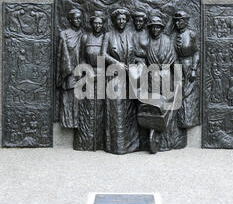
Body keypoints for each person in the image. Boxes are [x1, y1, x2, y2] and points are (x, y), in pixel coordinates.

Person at [144, 15, 186, 152]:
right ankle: (152, 138)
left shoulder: (167, 41)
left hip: (166, 77)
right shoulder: (146, 41)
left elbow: (175, 60)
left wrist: (179, 78)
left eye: (158, 27)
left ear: (161, 28)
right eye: (153, 27)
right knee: (154, 108)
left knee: (167, 108)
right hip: (152, 78)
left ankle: (165, 140)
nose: (155, 29)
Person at [101, 8, 139, 154]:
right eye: (119, 19)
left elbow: (135, 53)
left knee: (129, 112)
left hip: (129, 77)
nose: (121, 21)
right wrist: (117, 63)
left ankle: (131, 145)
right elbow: (103, 54)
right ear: (115, 21)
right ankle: (117, 146)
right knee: (117, 111)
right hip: (115, 77)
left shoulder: (131, 35)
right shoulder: (108, 35)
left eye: (124, 19)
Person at [74, 11, 106, 151]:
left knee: (100, 109)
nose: (98, 25)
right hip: (88, 75)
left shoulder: (105, 37)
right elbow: (81, 58)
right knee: (87, 109)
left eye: (100, 23)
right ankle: (85, 142)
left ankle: (99, 143)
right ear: (92, 24)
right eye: (95, 23)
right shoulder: (85, 38)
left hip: (103, 76)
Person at [173, 11, 200, 128]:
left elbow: (196, 52)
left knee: (188, 94)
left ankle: (190, 120)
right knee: (179, 93)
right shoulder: (174, 36)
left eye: (180, 21)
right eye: (176, 21)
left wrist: (194, 69)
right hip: (178, 65)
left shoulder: (191, 34)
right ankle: (180, 120)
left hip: (189, 65)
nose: (177, 23)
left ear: (186, 21)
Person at [57, 8, 83, 128]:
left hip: (82, 70)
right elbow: (61, 55)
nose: (79, 20)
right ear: (70, 20)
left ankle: (77, 121)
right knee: (68, 97)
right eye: (76, 18)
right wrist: (67, 70)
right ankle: (68, 121)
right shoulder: (64, 34)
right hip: (69, 71)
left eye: (80, 18)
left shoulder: (82, 34)